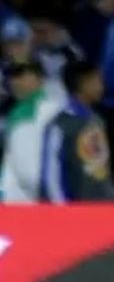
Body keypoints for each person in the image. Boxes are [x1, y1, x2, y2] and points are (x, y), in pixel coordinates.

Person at [40, 61, 114, 202]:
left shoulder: (97, 120)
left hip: (103, 209)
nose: (102, 86)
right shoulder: (60, 126)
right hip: (75, 213)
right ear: (83, 84)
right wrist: (63, 213)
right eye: (97, 80)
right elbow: (51, 177)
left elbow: (101, 169)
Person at [1, 61, 62, 202]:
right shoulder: (19, 110)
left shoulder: (33, 111)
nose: (16, 82)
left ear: (39, 78)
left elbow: (28, 170)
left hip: (28, 200)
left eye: (22, 76)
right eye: (13, 77)